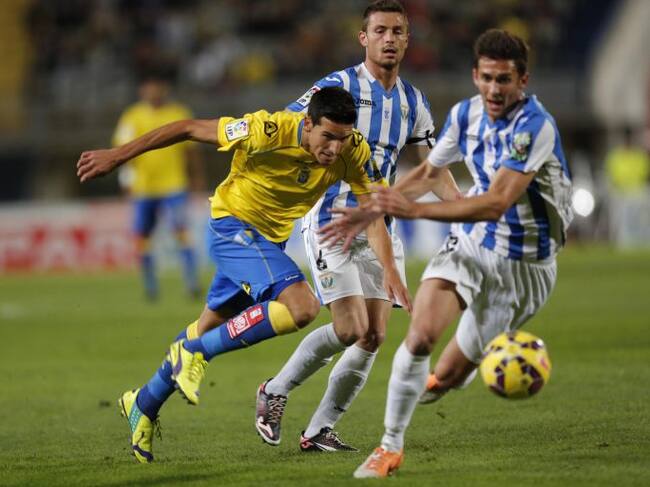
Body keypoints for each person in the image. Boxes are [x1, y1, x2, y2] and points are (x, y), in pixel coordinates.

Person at [77, 86, 408, 464]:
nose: (334, 148)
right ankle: (195, 354)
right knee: (302, 307)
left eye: (343, 138)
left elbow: (375, 214)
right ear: (308, 124)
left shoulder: (354, 151)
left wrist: (390, 270)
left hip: (267, 244)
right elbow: (187, 128)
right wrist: (117, 155)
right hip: (231, 228)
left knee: (206, 327)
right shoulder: (267, 130)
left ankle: (143, 402)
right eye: (328, 136)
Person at [319, 29, 573, 478]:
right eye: (487, 78)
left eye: (504, 80)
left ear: (523, 81)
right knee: (418, 337)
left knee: (446, 377)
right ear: (475, 76)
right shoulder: (464, 115)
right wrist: (371, 209)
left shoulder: (534, 127)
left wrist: (414, 210)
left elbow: (496, 202)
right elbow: (429, 173)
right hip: (474, 242)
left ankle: (455, 372)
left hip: (525, 266)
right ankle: (389, 447)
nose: (494, 89)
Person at [255, 0, 461, 453]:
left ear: (407, 40)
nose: (389, 39)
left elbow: (433, 171)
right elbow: (291, 126)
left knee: (373, 335)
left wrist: (466, 209)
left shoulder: (413, 101)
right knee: (349, 328)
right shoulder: (337, 85)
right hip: (331, 220)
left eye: (397, 31)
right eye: (380, 30)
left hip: (378, 226)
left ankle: (319, 430)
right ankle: (274, 389)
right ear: (363, 37)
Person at [113, 71, 204, 301]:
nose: (152, 91)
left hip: (174, 184)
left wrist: (196, 176)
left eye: (156, 86)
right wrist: (125, 180)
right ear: (142, 90)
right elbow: (123, 152)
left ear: (164, 89)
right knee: (143, 236)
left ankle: (192, 282)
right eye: (148, 87)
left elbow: (191, 151)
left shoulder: (179, 113)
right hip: (143, 187)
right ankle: (150, 285)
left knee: (182, 232)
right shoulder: (132, 116)